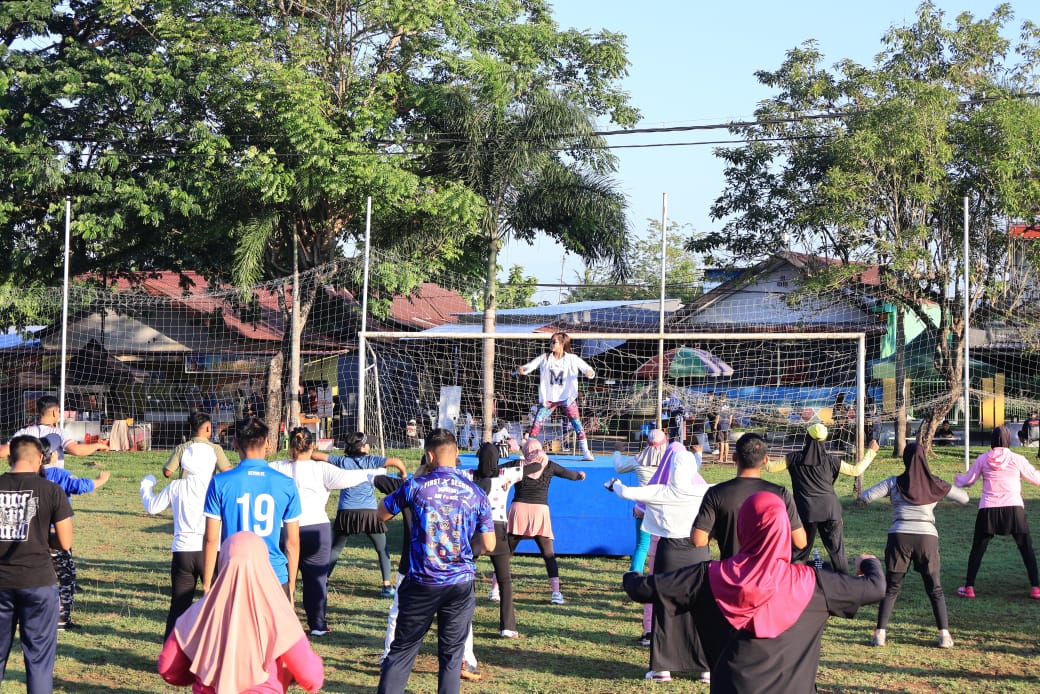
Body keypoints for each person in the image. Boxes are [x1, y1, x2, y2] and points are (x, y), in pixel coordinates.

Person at [624, 492, 886, 694]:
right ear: (784, 528)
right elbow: (876, 588)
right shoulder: (817, 584)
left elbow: (642, 589)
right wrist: (868, 562)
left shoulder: (707, 577)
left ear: (744, 528)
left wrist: (632, 574)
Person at [376, 429, 494, 694]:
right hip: (460, 583)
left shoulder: (416, 486)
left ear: (429, 455)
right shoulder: (476, 492)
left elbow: (382, 513)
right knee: (452, 657)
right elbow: (488, 544)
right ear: (456, 456)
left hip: (421, 581)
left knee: (403, 650)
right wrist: (464, 551)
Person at [269, 427, 398, 636]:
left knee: (281, 576)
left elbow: (254, 471)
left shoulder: (276, 467)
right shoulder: (322, 470)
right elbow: (350, 477)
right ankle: (318, 625)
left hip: (285, 530)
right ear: (312, 446)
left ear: (290, 446)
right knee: (316, 579)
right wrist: (376, 474)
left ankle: (281, 623)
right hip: (316, 530)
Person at [158, 532, 324, 694]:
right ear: (264, 563)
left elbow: (168, 668)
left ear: (222, 561)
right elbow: (310, 675)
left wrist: (199, 674)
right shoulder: (279, 614)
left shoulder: (199, 613)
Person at [609, 444, 712, 684]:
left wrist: (614, 485)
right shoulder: (704, 491)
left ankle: (662, 669)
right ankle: (706, 669)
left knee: (664, 605)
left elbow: (626, 493)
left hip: (670, 553)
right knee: (701, 607)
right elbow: (729, 490)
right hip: (698, 554)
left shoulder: (661, 491)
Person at [858, 443, 969, 648]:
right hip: (927, 537)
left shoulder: (894, 482)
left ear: (905, 459)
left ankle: (880, 634)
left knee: (892, 587)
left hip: (899, 536)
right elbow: (964, 498)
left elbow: (865, 496)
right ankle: (945, 635)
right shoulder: (935, 483)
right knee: (935, 588)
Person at [0, 435, 73, 694]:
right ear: (40, 458)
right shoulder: (52, 490)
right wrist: (42, 536)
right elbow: (65, 541)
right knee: (39, 662)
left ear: (9, 459)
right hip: (38, 583)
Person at [202, 417, 302, 598]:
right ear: (268, 443)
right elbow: (292, 543)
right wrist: (291, 587)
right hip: (274, 574)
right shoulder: (286, 484)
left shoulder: (220, 482)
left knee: (234, 627)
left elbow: (211, 538)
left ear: (235, 444)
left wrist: (207, 584)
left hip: (233, 573)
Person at [764, 422, 880, 573]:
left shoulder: (794, 458)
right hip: (831, 511)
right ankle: (844, 585)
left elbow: (770, 467)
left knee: (800, 552)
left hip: (806, 512)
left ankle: (794, 583)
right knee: (838, 553)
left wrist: (763, 458)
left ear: (807, 438)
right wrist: (871, 451)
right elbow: (856, 470)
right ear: (824, 441)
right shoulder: (832, 461)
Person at [313, 432, 407, 597]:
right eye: (367, 443)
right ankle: (386, 585)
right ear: (363, 447)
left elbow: (316, 455)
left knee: (336, 548)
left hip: (346, 512)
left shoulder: (342, 461)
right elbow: (397, 462)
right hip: (369, 512)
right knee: (381, 548)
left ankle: (322, 581)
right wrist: (403, 474)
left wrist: (306, 451)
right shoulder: (371, 461)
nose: (369, 445)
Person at [141, 437, 217, 638]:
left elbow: (152, 506)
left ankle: (170, 654)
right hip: (211, 553)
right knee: (216, 608)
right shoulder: (217, 486)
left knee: (178, 606)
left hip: (183, 551)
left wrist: (146, 485)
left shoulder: (177, 486)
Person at [954, 425, 1040, 600]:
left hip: (988, 509)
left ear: (992, 440)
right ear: (1009, 440)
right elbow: (1036, 479)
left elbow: (968, 481)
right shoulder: (1017, 459)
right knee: (1026, 548)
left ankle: (969, 587)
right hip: (1014, 508)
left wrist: (958, 479)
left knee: (977, 549)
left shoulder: (983, 459)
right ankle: (1036, 588)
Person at [692, 432, 807, 561]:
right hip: (769, 575)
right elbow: (800, 541)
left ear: (734, 457)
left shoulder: (716, 493)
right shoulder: (780, 494)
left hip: (733, 574)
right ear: (766, 460)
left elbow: (698, 540)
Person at [40, 438, 110, 631]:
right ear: (52, 455)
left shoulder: (33, 476)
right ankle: (61, 620)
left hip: (34, 537)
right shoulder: (59, 474)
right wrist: (100, 480)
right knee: (66, 577)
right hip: (57, 536)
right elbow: (81, 486)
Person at [507, 437, 586, 605]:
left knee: (505, 554)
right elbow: (569, 474)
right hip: (540, 512)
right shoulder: (549, 465)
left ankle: (495, 589)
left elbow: (496, 471)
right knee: (548, 554)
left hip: (518, 510)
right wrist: (580, 476)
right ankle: (556, 593)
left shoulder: (517, 464)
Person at [515, 332, 597, 460]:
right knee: (536, 424)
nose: (551, 344)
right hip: (549, 399)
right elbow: (530, 366)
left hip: (567, 398)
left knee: (577, 424)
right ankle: (527, 452)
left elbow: (589, 370)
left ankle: (586, 452)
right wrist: (522, 369)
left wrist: (589, 373)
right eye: (551, 341)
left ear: (562, 344)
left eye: (554, 342)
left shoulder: (572, 359)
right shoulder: (545, 358)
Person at [472, 442, 523, 639]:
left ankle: (461, 617)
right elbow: (529, 466)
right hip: (499, 530)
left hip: (477, 530)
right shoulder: (504, 477)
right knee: (505, 580)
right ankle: (508, 626)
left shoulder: (470, 476)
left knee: (466, 574)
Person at [1, 394, 110, 466]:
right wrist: (98, 445)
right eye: (59, 411)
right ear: (54, 412)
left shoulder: (24, 432)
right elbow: (77, 450)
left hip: (31, 482)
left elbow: (2, 452)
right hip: (53, 484)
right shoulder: (58, 433)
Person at [163, 411, 232, 478]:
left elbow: (167, 473)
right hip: (207, 489)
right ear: (208, 428)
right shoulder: (215, 449)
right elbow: (227, 472)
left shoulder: (181, 448)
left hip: (186, 488)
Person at [712, 394, 733, 464]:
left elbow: (718, 416)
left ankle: (720, 458)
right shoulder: (728, 406)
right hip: (727, 426)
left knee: (721, 443)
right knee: (726, 443)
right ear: (725, 398)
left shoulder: (719, 406)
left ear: (720, 399)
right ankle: (726, 458)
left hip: (721, 425)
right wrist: (729, 424)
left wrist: (715, 425)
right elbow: (731, 416)